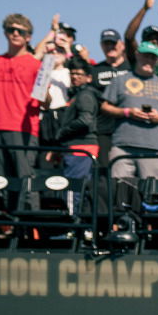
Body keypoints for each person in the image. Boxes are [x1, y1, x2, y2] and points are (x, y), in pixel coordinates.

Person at [0, 13, 44, 209]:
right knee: (2, 181)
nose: (15, 33)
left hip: (24, 128)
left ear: (28, 37)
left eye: (20, 31)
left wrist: (47, 94)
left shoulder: (36, 64)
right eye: (11, 30)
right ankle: (9, 222)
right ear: (5, 33)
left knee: (25, 179)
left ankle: (30, 223)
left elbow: (44, 99)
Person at [100, 41, 158, 181]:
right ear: (137, 55)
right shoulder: (120, 80)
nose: (149, 60)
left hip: (155, 148)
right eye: (146, 56)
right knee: (120, 189)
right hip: (123, 147)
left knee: (155, 192)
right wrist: (127, 112)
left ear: (157, 61)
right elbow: (104, 107)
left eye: (153, 57)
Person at [55, 56, 101, 214]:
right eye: (72, 73)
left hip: (80, 147)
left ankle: (73, 222)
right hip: (81, 147)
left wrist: (62, 132)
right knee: (81, 189)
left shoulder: (84, 95)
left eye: (79, 74)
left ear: (88, 77)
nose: (75, 77)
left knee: (72, 188)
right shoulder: (79, 94)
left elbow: (85, 120)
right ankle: (80, 222)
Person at [91, 29, 132, 153]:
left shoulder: (132, 68)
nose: (110, 47)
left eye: (113, 43)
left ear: (122, 45)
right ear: (101, 46)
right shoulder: (95, 70)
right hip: (103, 128)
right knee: (104, 163)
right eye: (106, 44)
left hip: (129, 126)